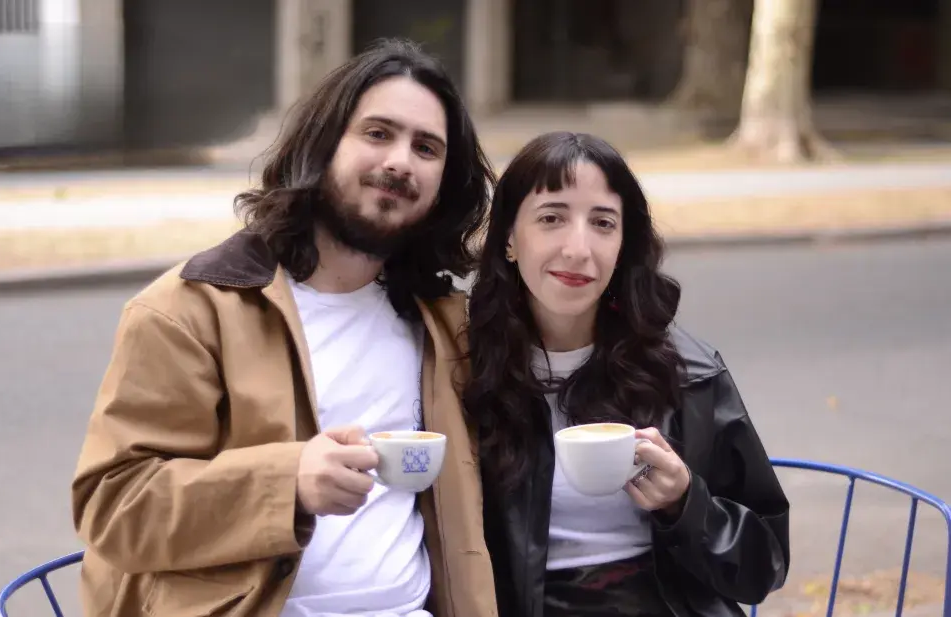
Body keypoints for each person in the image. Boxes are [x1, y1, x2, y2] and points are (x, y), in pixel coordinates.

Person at [71, 39, 499, 617]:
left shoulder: (440, 321)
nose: (400, 161)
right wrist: (289, 481)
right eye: (377, 133)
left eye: (426, 148)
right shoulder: (191, 310)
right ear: (323, 146)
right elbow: (114, 506)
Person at [461, 131, 790, 617]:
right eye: (551, 218)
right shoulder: (461, 370)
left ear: (623, 245)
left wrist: (684, 503)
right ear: (509, 238)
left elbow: (763, 564)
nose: (578, 249)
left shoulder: (688, 374)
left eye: (602, 223)